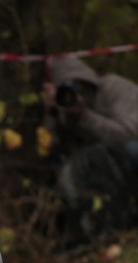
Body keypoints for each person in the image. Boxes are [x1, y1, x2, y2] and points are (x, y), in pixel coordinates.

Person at [43, 58, 138, 243]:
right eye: (64, 91)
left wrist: (83, 117)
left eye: (77, 86)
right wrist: (53, 114)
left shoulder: (113, 87)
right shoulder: (60, 113)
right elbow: (54, 155)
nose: (73, 95)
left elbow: (131, 136)